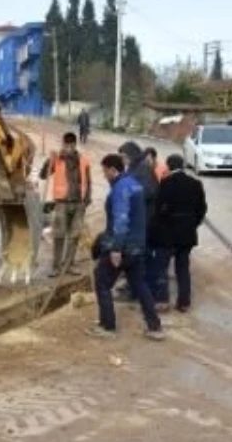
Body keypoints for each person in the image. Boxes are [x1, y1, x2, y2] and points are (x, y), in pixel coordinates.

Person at [89, 153, 166, 341]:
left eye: (105, 171)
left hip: (123, 246)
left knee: (102, 282)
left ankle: (108, 326)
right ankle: (155, 327)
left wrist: (116, 249)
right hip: (138, 245)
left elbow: (121, 220)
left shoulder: (120, 189)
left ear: (113, 170)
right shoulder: (134, 184)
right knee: (140, 285)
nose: (104, 175)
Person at [150, 154, 207, 312]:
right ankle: (184, 302)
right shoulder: (196, 184)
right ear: (182, 166)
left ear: (168, 166)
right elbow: (202, 209)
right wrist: (192, 224)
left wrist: (157, 228)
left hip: (168, 233)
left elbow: (158, 209)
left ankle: (162, 300)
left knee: (162, 266)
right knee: (182, 267)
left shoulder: (166, 183)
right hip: (187, 234)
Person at [39, 132, 92, 277]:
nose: (67, 147)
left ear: (74, 145)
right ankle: (56, 267)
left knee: (74, 236)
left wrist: (86, 201)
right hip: (61, 203)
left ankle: (69, 265)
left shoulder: (83, 160)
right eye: (65, 145)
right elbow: (43, 175)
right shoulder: (57, 159)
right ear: (62, 144)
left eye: (70, 145)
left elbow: (88, 181)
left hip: (78, 203)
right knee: (59, 235)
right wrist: (48, 161)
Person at [115, 141, 159, 302]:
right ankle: (134, 288)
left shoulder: (143, 168)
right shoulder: (135, 168)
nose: (122, 160)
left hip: (144, 221)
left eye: (123, 157)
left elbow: (150, 191)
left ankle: (136, 292)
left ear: (131, 155)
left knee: (137, 257)